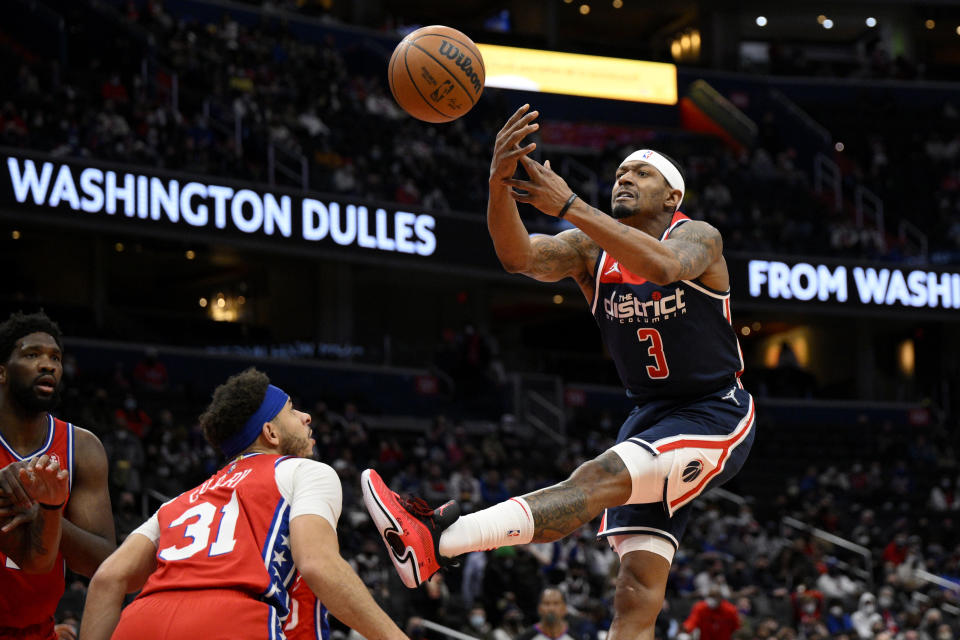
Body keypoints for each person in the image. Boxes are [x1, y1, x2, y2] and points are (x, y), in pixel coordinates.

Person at [362, 104, 756, 640]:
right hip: (650, 416)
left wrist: (568, 204)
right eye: (620, 173)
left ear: (672, 196)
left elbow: (662, 269)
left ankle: (437, 539)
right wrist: (498, 184)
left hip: (714, 412)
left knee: (594, 479)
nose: (625, 178)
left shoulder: (699, 237)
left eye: (641, 173)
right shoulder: (589, 249)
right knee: (635, 589)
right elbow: (517, 255)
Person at [80, 368, 406, 640]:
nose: (306, 417)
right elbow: (318, 564)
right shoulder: (307, 471)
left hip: (141, 621)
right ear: (271, 433)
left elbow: (108, 579)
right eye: (292, 410)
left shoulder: (180, 501)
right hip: (229, 621)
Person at [0, 311, 116, 639]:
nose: (48, 364)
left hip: (38, 630)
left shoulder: (81, 447)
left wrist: (47, 516)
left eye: (55, 357)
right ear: (2, 372)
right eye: (32, 354)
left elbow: (102, 560)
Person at [515, 588, 585, 640]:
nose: (551, 608)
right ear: (539, 608)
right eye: (546, 603)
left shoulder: (575, 637)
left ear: (564, 609)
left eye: (556, 603)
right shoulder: (525, 637)